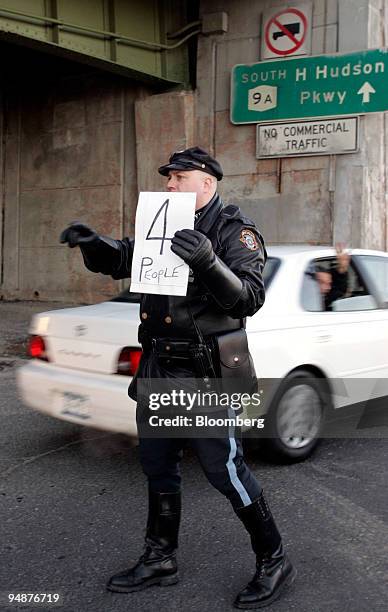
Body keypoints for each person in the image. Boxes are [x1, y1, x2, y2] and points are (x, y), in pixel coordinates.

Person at [60, 146, 296, 609]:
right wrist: (95, 245)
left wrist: (208, 261)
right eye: (168, 178)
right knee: (157, 465)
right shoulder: (163, 219)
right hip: (159, 368)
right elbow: (127, 258)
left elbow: (248, 298)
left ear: (206, 184)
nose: (169, 184)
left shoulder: (235, 231)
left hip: (204, 373)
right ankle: (160, 557)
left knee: (224, 471)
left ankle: (274, 560)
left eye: (179, 177)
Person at [316, 244, 350, 311]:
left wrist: (342, 269)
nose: (328, 287)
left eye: (329, 283)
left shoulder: (328, 299)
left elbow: (340, 290)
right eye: (322, 282)